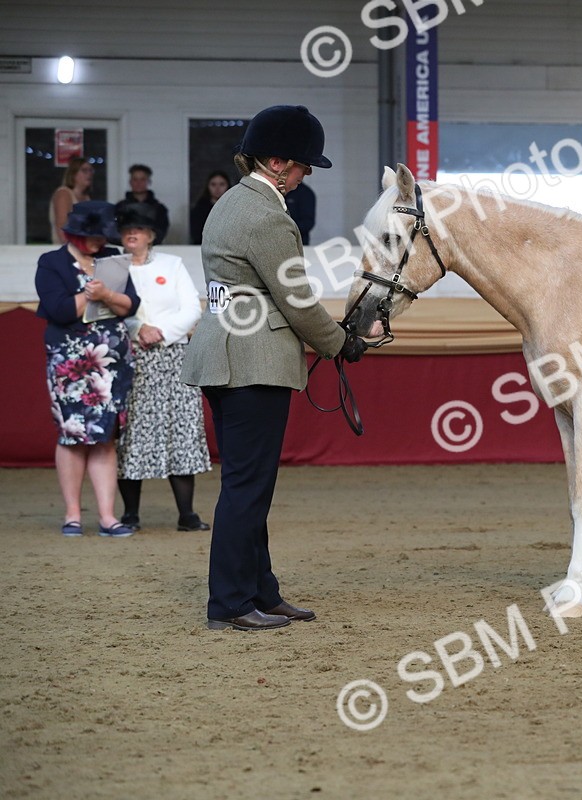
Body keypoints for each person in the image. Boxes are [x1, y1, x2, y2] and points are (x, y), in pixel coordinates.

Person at [181, 104, 369, 632]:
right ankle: (231, 604)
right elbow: (297, 301)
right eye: (305, 165)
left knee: (251, 484)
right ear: (279, 162)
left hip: (227, 353)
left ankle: (261, 591)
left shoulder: (231, 203)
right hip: (252, 361)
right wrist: (341, 344)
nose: (307, 174)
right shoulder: (267, 215)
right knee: (247, 487)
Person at [35, 201, 140, 537]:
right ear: (75, 234)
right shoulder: (51, 262)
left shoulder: (113, 257)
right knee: (72, 434)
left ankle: (108, 517)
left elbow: (131, 304)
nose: (99, 242)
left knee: (105, 437)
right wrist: (88, 292)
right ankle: (72, 515)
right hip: (70, 363)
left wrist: (106, 292)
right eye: (92, 237)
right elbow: (59, 309)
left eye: (102, 236)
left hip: (111, 363)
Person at [114, 203, 212, 533]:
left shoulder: (172, 264)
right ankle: (130, 515)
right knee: (132, 435)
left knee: (181, 431)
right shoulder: (111, 267)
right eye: (127, 228)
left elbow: (192, 308)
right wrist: (137, 329)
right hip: (131, 359)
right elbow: (107, 308)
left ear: (151, 235)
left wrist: (161, 332)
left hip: (174, 358)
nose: (132, 233)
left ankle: (187, 515)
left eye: (139, 229)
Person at [115, 164, 170, 245]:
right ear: (130, 182)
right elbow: (116, 230)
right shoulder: (120, 207)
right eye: (135, 179)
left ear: (149, 182)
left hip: (152, 249)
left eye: (142, 179)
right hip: (125, 249)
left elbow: (161, 232)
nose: (138, 183)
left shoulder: (159, 209)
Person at [49, 158, 94, 245]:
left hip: (84, 249)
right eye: (84, 171)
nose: (89, 174)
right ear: (73, 174)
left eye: (91, 170)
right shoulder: (64, 194)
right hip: (65, 250)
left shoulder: (87, 197)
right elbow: (62, 228)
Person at [189, 170, 231, 245]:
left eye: (222, 184)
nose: (217, 188)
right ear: (208, 186)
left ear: (228, 186)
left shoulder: (235, 208)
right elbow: (196, 233)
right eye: (213, 184)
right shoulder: (199, 209)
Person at [284, 180, 316, 245]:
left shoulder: (305, 193)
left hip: (298, 242)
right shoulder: (279, 190)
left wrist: (285, 228)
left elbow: (307, 223)